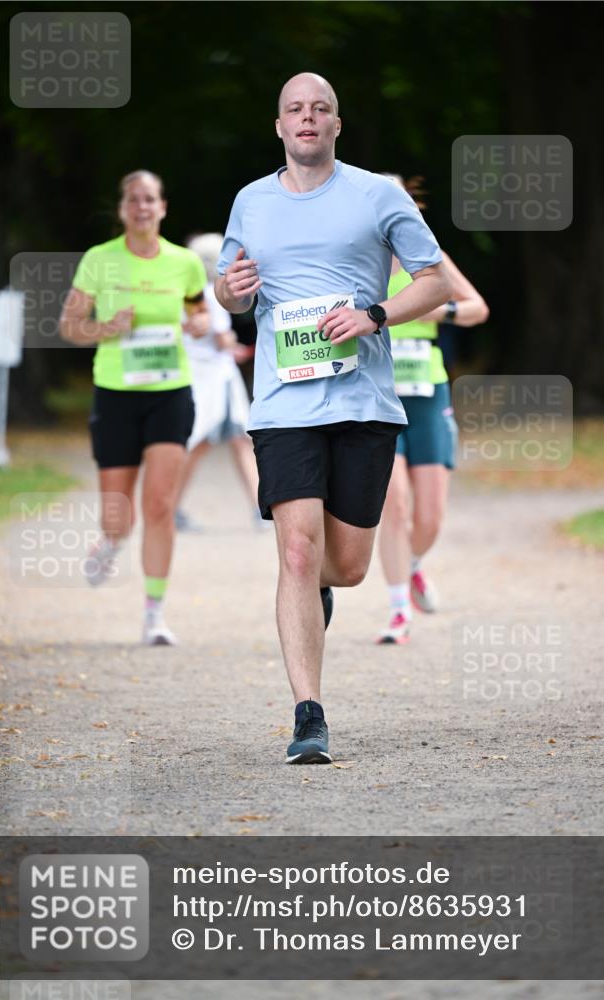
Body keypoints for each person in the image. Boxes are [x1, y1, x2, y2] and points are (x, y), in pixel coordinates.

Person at [215, 73, 451, 764]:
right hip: (283, 405)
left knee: (343, 567)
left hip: (363, 403)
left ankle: (316, 588)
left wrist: (373, 313)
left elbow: (434, 280)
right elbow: (230, 293)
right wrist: (228, 292)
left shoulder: (377, 193)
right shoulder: (250, 202)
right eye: (294, 109)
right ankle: (307, 716)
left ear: (336, 125)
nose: (307, 118)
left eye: (320, 108)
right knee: (295, 550)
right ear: (279, 125)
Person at [60, 170, 209, 645]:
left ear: (162, 207)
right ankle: (109, 541)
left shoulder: (184, 263)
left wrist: (199, 324)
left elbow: (200, 310)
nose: (142, 207)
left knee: (161, 505)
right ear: (122, 209)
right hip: (116, 394)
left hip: (170, 392)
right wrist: (106, 327)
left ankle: (154, 614)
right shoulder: (99, 261)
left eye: (150, 200)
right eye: (133, 200)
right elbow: (68, 326)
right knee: (119, 515)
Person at [377, 174, 489, 645]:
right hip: (379, 398)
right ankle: (399, 609)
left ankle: (414, 563)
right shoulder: (355, 258)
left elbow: (476, 307)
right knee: (394, 506)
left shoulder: (430, 256)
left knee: (430, 517)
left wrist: (436, 312)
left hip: (429, 393)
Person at [176, 233, 263, 533]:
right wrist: (236, 346)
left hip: (219, 378)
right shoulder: (205, 295)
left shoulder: (192, 292)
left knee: (240, 440)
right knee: (199, 442)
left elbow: (218, 339)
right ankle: (170, 506)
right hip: (209, 380)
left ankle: (258, 507)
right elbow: (221, 337)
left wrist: (232, 348)